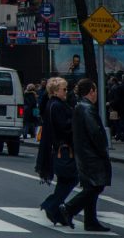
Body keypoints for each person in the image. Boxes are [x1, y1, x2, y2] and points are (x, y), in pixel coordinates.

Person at [58, 78, 112, 232]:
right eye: (95, 91)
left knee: (91, 186)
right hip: (91, 155)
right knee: (96, 186)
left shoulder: (80, 106)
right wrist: (103, 150)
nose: (96, 94)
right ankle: (69, 209)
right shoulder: (87, 108)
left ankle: (90, 221)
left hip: (84, 153)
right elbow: (95, 132)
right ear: (91, 91)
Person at [36, 77, 77, 227]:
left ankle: (56, 212)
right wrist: (75, 123)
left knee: (64, 180)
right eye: (64, 89)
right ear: (55, 91)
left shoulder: (53, 104)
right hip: (63, 148)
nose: (66, 92)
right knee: (72, 178)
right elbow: (64, 127)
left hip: (59, 148)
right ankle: (51, 205)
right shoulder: (57, 105)